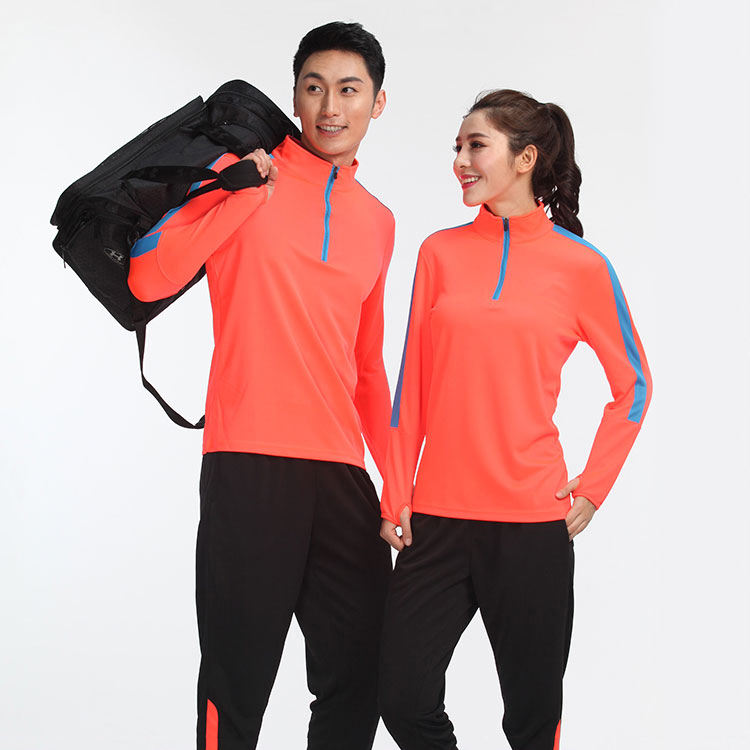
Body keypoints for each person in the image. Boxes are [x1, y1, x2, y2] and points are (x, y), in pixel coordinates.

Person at [127, 22, 394, 750]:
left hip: (343, 475)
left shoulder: (379, 222)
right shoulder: (239, 174)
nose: (330, 107)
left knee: (361, 678)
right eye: (314, 88)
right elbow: (146, 277)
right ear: (295, 96)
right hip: (248, 463)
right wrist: (241, 195)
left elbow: (368, 368)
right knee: (235, 686)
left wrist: (399, 485)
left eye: (349, 90)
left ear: (377, 103)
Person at [377, 89, 653, 750]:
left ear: (525, 158)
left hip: (532, 523)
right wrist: (396, 492)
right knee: (400, 696)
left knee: (532, 720)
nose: (460, 160)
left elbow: (634, 385)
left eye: (476, 145)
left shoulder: (581, 266)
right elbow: (411, 385)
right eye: (457, 146)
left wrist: (594, 485)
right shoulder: (439, 253)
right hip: (437, 519)